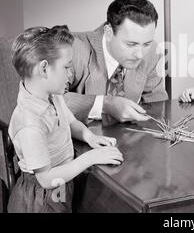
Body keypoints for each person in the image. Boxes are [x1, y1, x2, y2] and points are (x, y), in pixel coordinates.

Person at [7, 26, 123, 213]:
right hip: (41, 200)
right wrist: (91, 158)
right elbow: (45, 179)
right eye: (67, 67)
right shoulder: (30, 124)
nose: (71, 74)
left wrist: (90, 137)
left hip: (60, 185)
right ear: (44, 69)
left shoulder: (53, 95)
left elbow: (71, 123)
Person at [64, 0, 168, 124]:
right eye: (131, 44)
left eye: (146, 44)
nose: (140, 55)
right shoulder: (72, 49)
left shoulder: (153, 52)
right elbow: (48, 99)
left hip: (129, 140)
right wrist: (105, 104)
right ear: (108, 33)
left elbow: (156, 106)